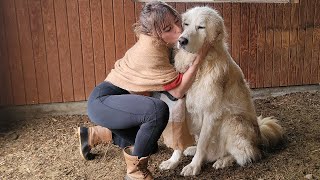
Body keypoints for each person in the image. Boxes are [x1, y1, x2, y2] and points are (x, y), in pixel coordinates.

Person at [77, 1, 208, 179]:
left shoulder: (158, 41)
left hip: (115, 103)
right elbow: (178, 91)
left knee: (148, 144)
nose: (179, 30)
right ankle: (135, 173)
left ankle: (93, 134)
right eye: (169, 29)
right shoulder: (152, 50)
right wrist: (199, 58)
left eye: (178, 21)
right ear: (154, 33)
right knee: (156, 111)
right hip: (104, 102)